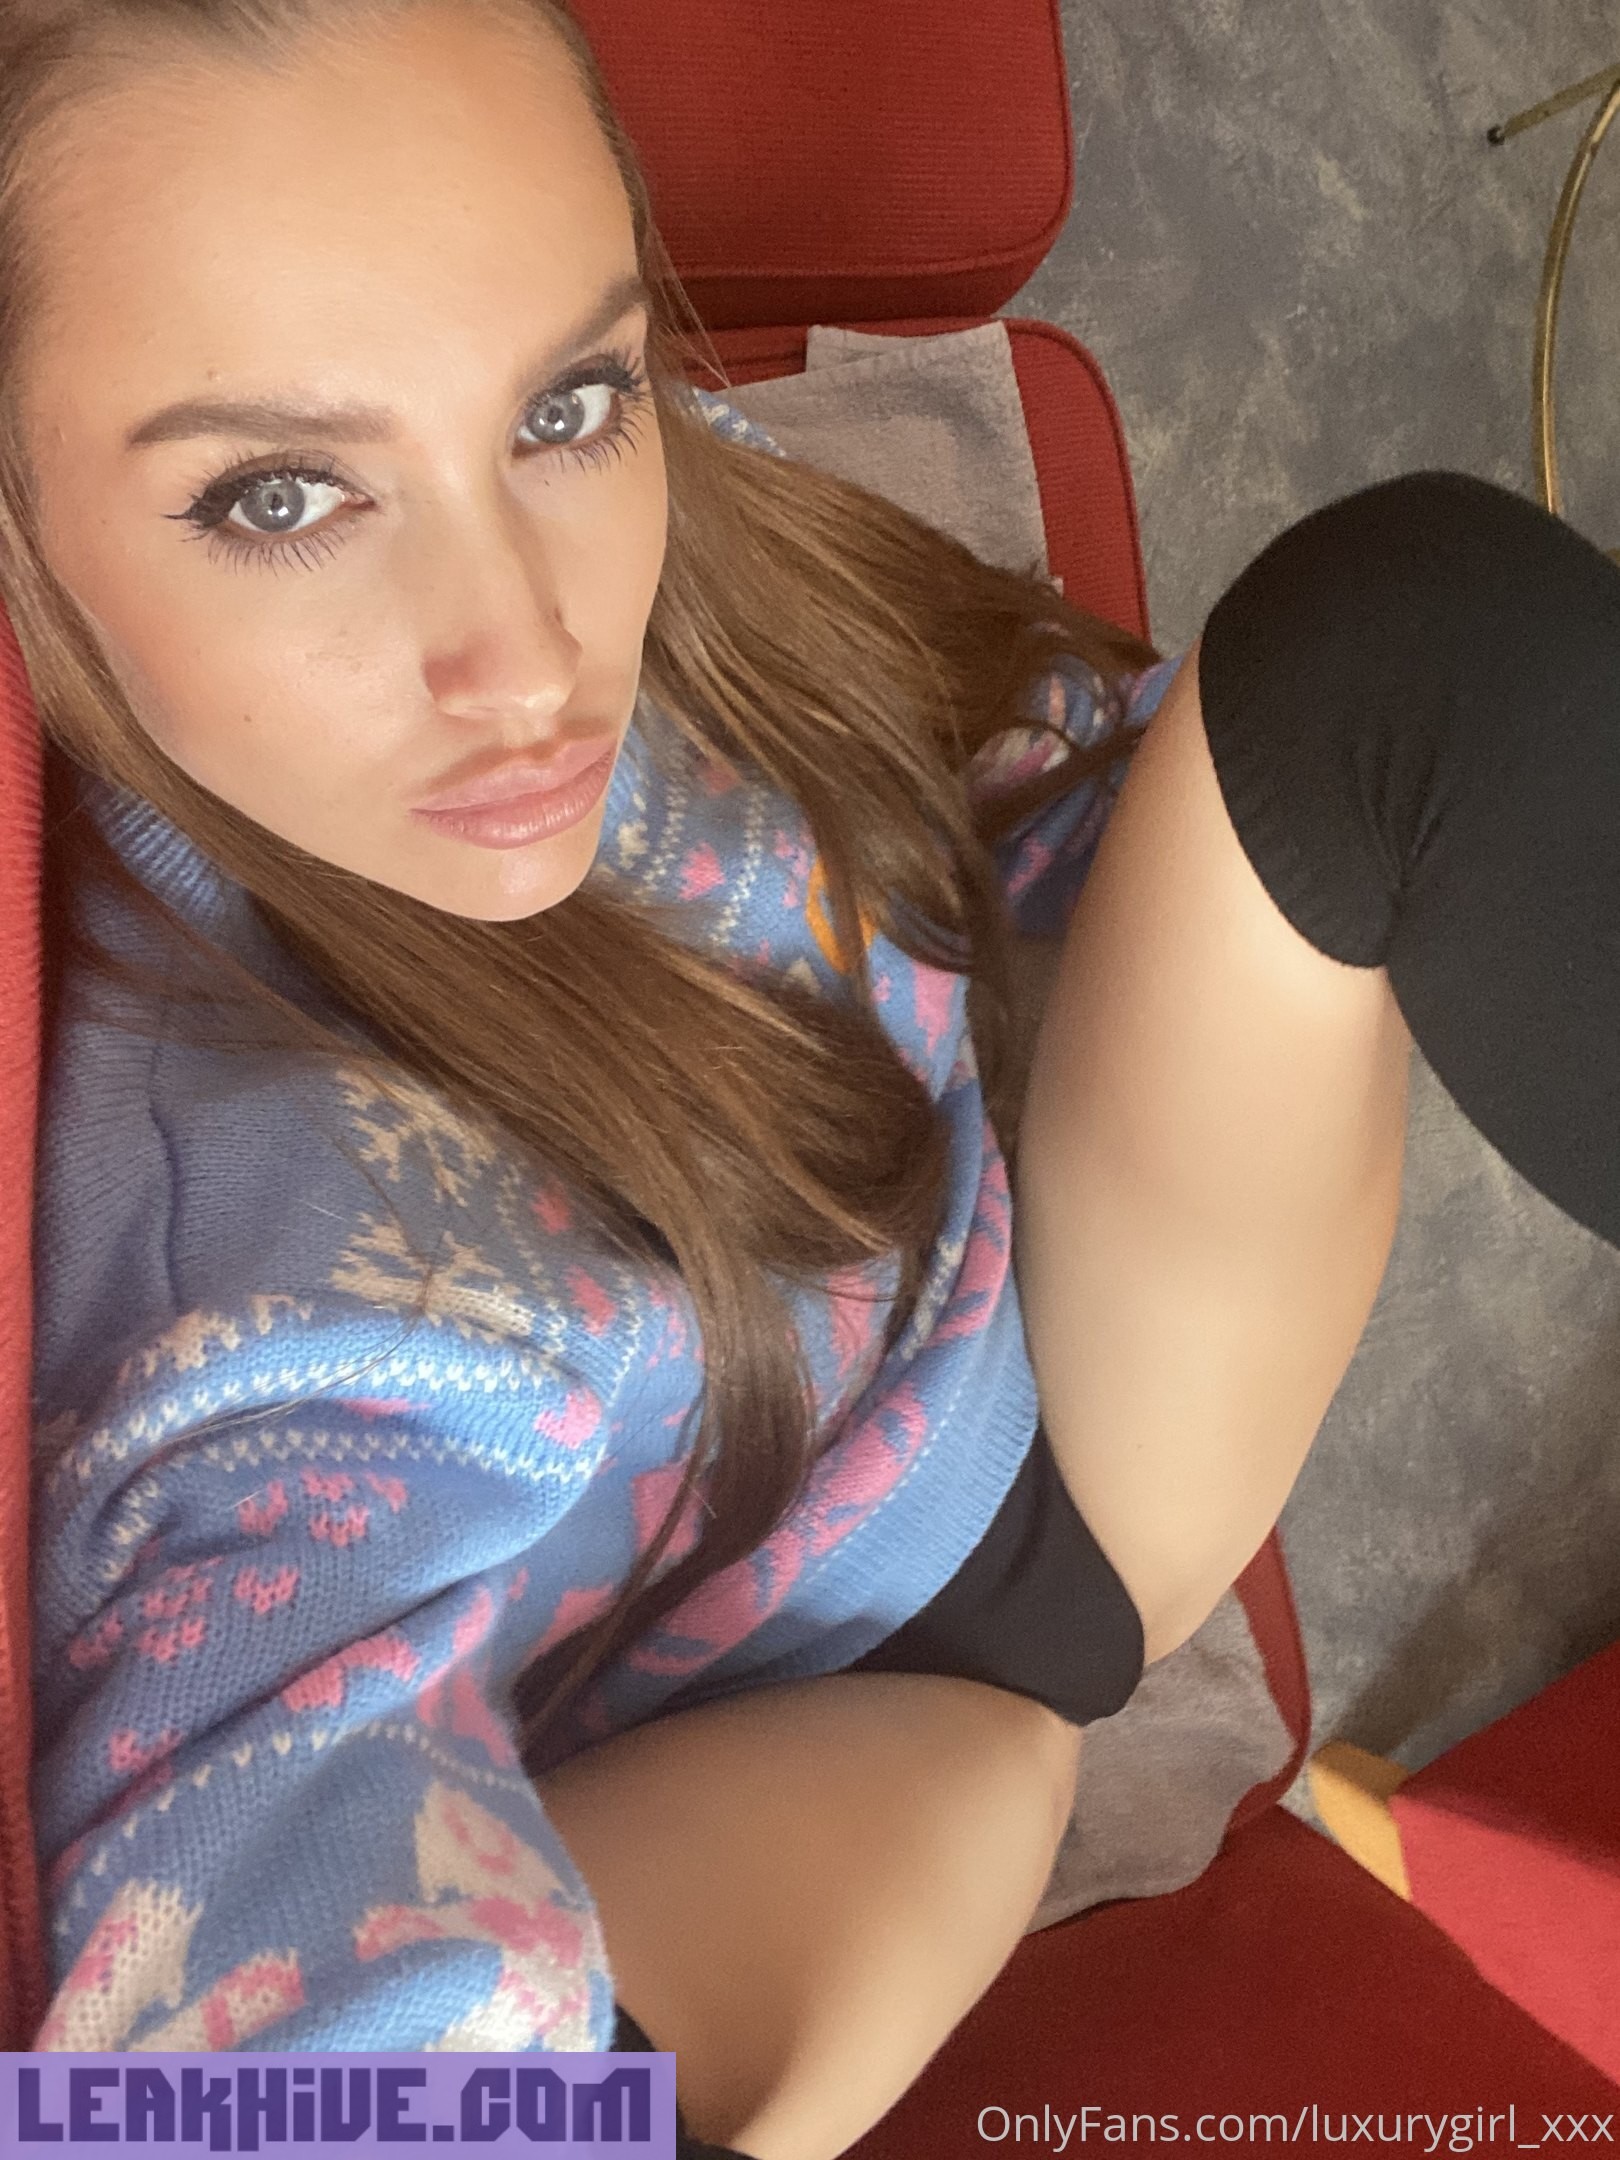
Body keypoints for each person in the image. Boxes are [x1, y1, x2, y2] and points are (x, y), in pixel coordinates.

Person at [6, 3, 1620, 2157]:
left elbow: (907, 732)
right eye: (280, 494)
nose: (526, 654)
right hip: (915, 1664)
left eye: (567, 402)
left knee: (1417, 633)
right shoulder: (286, 1322)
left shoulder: (597, 573)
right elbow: (252, 2056)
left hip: (958, 1211)